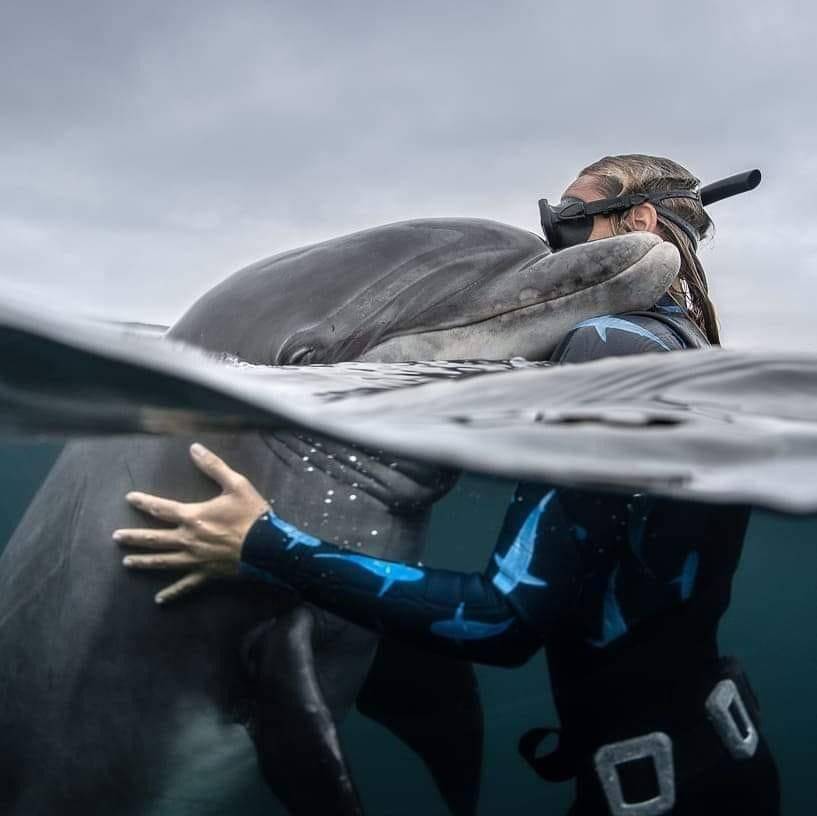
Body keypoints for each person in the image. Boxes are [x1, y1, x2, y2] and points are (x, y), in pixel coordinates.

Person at [113, 154, 780, 815]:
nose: (554, 245)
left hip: (648, 795)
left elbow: (500, 620)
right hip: (726, 760)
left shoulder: (605, 344)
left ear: (636, 220)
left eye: (570, 222)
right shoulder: (688, 347)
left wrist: (263, 544)